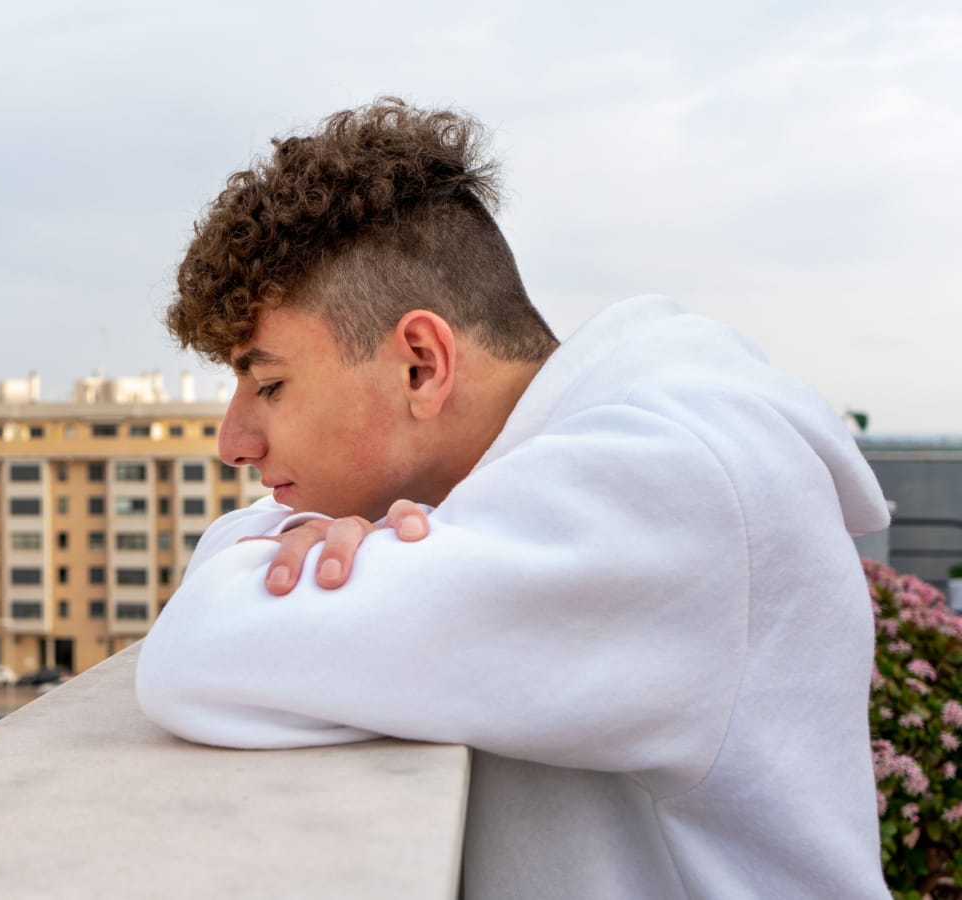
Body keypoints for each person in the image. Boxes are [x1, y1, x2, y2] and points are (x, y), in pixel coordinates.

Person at [134, 98, 892, 898]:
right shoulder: (549, 472)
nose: (234, 442)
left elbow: (200, 652)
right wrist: (296, 534)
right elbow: (234, 561)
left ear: (421, 364)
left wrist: (265, 555)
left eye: (270, 384)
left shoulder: (669, 483)